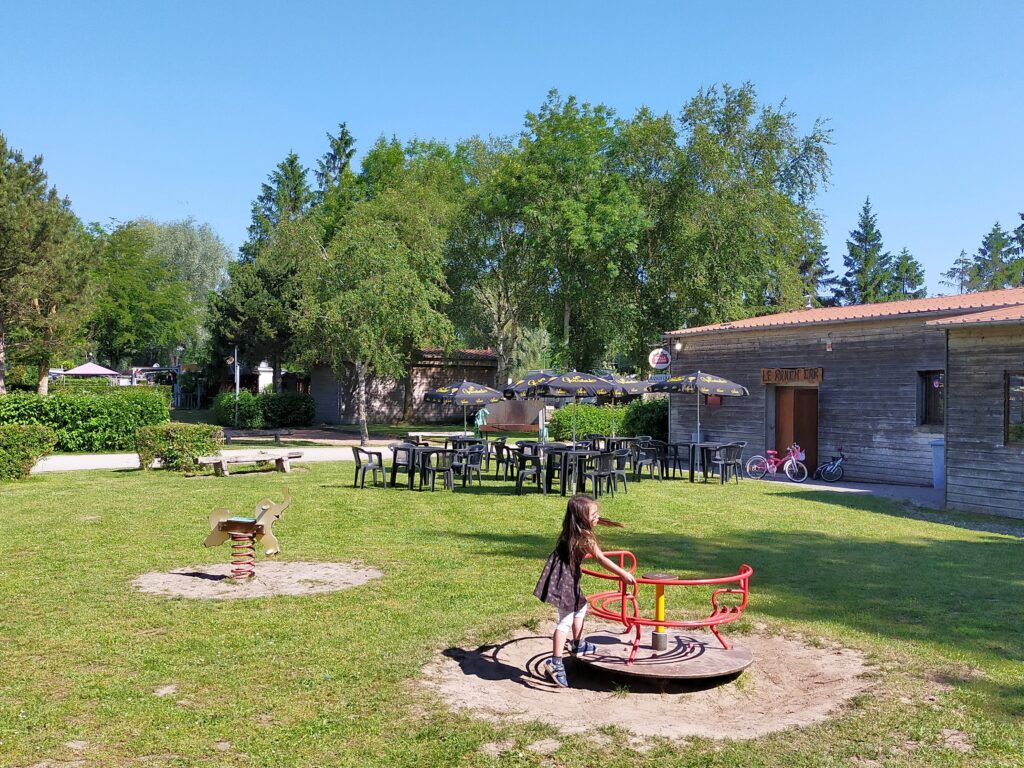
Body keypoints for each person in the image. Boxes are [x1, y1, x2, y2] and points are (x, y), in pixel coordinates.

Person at [533, 494, 636, 688]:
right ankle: (555, 662)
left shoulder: (572, 529)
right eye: (594, 514)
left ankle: (577, 643)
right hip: (564, 580)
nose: (598, 517)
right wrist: (623, 573)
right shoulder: (584, 537)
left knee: (581, 607)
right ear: (582, 518)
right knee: (565, 620)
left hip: (564, 575)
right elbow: (601, 559)